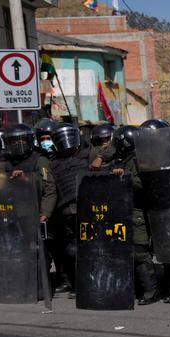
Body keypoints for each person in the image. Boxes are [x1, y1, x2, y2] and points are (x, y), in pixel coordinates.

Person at [49, 123, 101, 297]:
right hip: (67, 212)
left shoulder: (89, 153)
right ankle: (78, 284)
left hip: (89, 209)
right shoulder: (53, 161)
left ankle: (96, 282)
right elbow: (50, 188)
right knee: (71, 251)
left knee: (92, 248)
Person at [109, 125, 159, 305]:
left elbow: (145, 184)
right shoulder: (121, 160)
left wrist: (126, 176)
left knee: (139, 252)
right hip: (122, 210)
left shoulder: (138, 160)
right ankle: (132, 289)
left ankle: (150, 291)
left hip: (136, 210)